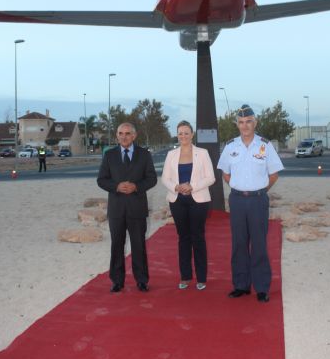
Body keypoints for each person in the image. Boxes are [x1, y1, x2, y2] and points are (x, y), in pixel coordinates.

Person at [217, 104, 284, 303]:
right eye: (241, 122)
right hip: (237, 200)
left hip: (257, 201)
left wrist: (260, 190)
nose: (245, 126)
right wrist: (239, 188)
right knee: (238, 244)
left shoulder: (265, 145)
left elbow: (273, 175)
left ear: (255, 123)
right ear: (237, 125)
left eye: (248, 122)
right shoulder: (230, 146)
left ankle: (262, 287)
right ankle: (241, 285)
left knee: (259, 244)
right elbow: (225, 173)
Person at [97, 122, 157, 293]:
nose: (124, 136)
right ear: (117, 135)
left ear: (134, 135)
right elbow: (101, 180)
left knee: (139, 245)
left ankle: (142, 280)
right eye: (120, 133)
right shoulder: (109, 156)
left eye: (127, 133)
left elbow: (151, 178)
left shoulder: (144, 155)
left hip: (137, 208)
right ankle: (117, 281)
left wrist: (136, 186)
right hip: (116, 209)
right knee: (117, 245)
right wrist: (116, 186)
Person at [162, 120, 215, 290]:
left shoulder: (203, 153)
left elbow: (211, 177)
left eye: (186, 133)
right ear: (177, 135)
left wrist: (192, 186)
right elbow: (165, 178)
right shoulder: (171, 155)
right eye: (180, 133)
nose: (183, 136)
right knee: (183, 238)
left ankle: (201, 277)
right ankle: (185, 276)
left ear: (192, 134)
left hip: (198, 200)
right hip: (177, 200)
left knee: (197, 237)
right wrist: (176, 187)